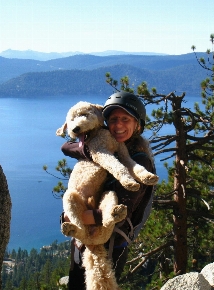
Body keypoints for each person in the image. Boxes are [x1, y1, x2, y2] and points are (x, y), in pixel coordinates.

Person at [60, 92, 156, 290]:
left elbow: (119, 214)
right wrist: (89, 150)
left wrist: (70, 218)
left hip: (110, 246)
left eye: (125, 119)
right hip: (82, 242)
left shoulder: (139, 161)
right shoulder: (103, 145)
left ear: (137, 124)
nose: (118, 125)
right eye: (113, 119)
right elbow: (67, 145)